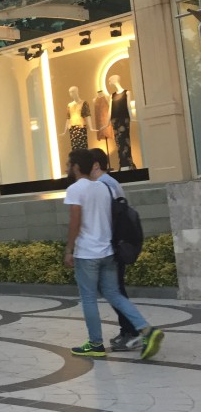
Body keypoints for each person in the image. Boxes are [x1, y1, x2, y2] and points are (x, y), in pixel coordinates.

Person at [64, 148, 162, 359]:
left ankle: (95, 343)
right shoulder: (103, 188)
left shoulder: (75, 189)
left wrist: (69, 249)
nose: (68, 167)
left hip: (87, 253)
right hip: (108, 251)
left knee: (88, 298)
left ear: (77, 166)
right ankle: (147, 329)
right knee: (114, 294)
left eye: (69, 163)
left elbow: (75, 221)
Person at [88, 148, 138, 351]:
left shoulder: (103, 185)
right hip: (113, 244)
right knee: (114, 289)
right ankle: (128, 330)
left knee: (114, 289)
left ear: (95, 165)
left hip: (111, 245)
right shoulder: (109, 183)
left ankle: (134, 331)